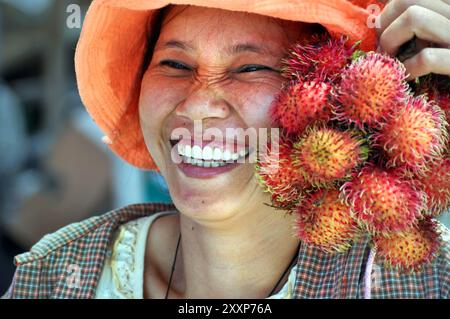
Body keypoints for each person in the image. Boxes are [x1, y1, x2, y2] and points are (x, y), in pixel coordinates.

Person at [3, 0, 450, 299]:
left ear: (333, 109)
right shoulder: (55, 276)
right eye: (175, 64)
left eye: (251, 68)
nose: (197, 104)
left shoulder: (423, 281)